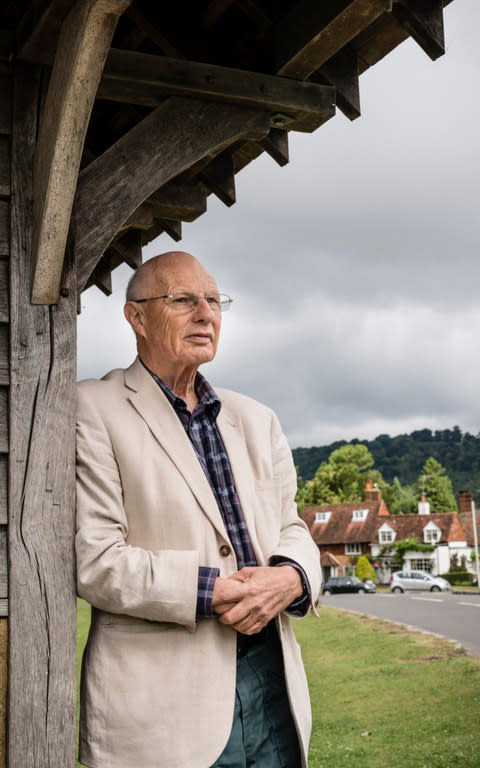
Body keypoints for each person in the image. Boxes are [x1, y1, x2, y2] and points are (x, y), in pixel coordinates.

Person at [76, 251, 321, 768]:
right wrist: (214, 590)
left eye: (213, 300)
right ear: (136, 317)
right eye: (183, 300)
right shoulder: (91, 408)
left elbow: (291, 528)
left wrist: (292, 577)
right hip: (162, 707)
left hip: (272, 685)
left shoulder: (258, 419)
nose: (206, 314)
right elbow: (97, 561)